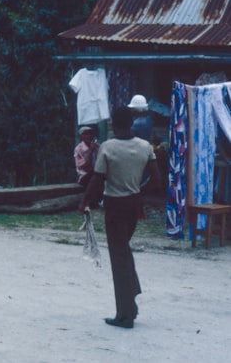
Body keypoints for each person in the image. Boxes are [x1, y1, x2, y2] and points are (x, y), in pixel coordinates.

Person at [79, 106, 161, 329]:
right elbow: (156, 179)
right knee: (123, 250)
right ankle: (130, 301)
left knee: (119, 256)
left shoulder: (108, 147)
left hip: (115, 205)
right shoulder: (144, 146)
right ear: (132, 122)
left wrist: (85, 201)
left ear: (114, 124)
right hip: (134, 204)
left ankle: (125, 313)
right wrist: (139, 193)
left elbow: (97, 180)